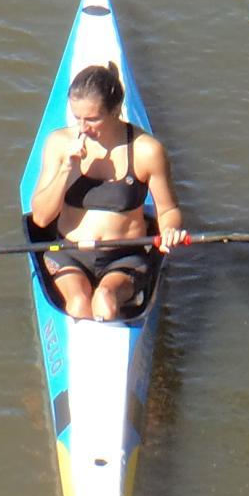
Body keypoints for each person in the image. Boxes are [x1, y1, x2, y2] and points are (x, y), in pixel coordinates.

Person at [28, 63, 184, 322]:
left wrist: (170, 230)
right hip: (67, 250)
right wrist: (68, 170)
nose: (82, 128)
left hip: (124, 256)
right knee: (79, 305)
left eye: (92, 119)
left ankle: (121, 308)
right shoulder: (58, 144)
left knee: (105, 304)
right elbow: (41, 219)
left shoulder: (147, 151)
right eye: (76, 117)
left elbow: (168, 211)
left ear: (115, 111)